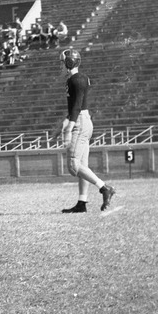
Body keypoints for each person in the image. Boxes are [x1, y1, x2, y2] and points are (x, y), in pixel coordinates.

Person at [56, 49, 116, 213]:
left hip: (80, 122)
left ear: (68, 63)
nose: (60, 66)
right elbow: (76, 104)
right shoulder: (76, 79)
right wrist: (67, 120)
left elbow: (77, 104)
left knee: (73, 166)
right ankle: (82, 202)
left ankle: (104, 188)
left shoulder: (76, 79)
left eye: (62, 62)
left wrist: (70, 126)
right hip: (83, 120)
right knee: (82, 165)